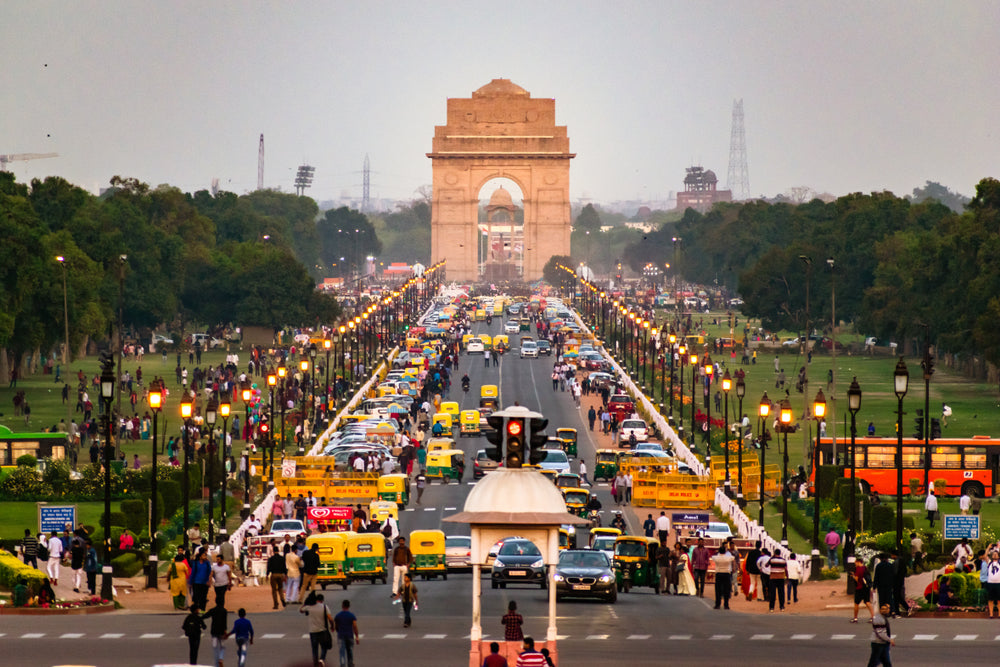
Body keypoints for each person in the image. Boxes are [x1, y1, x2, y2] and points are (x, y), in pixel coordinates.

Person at [300, 592, 335, 667]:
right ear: (322, 600)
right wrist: (332, 626)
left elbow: (301, 610)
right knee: (324, 647)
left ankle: (315, 663)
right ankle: (321, 659)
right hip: (322, 630)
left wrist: (306, 602)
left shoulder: (309, 607)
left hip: (313, 631)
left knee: (314, 648)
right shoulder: (325, 607)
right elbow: (330, 619)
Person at [333, 598, 360, 667]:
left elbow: (336, 625)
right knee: (350, 651)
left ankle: (342, 664)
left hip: (341, 635)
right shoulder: (351, 615)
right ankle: (350, 664)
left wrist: (338, 630)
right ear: (349, 606)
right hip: (350, 635)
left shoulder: (338, 615)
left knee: (342, 652)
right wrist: (356, 636)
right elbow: (354, 626)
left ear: (342, 606)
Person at [203, 601, 228, 667]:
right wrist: (225, 632)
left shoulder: (212, 610)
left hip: (214, 632)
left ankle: (216, 664)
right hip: (221, 632)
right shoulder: (224, 611)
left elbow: (205, 616)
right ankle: (221, 658)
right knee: (222, 647)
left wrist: (199, 618)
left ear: (216, 602)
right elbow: (224, 622)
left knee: (215, 648)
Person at [711, 545, 734, 610]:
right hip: (726, 573)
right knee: (726, 590)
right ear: (725, 551)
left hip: (718, 573)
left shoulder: (716, 558)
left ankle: (717, 604)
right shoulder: (728, 558)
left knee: (718, 590)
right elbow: (733, 557)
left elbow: (712, 557)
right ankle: (726, 605)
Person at [266, 544, 288, 609]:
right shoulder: (282, 558)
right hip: (281, 575)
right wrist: (285, 575)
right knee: (280, 588)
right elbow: (284, 567)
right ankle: (282, 599)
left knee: (274, 590)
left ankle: (276, 604)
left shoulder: (271, 559)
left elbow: (269, 567)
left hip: (274, 575)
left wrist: (267, 575)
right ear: (278, 550)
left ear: (273, 551)